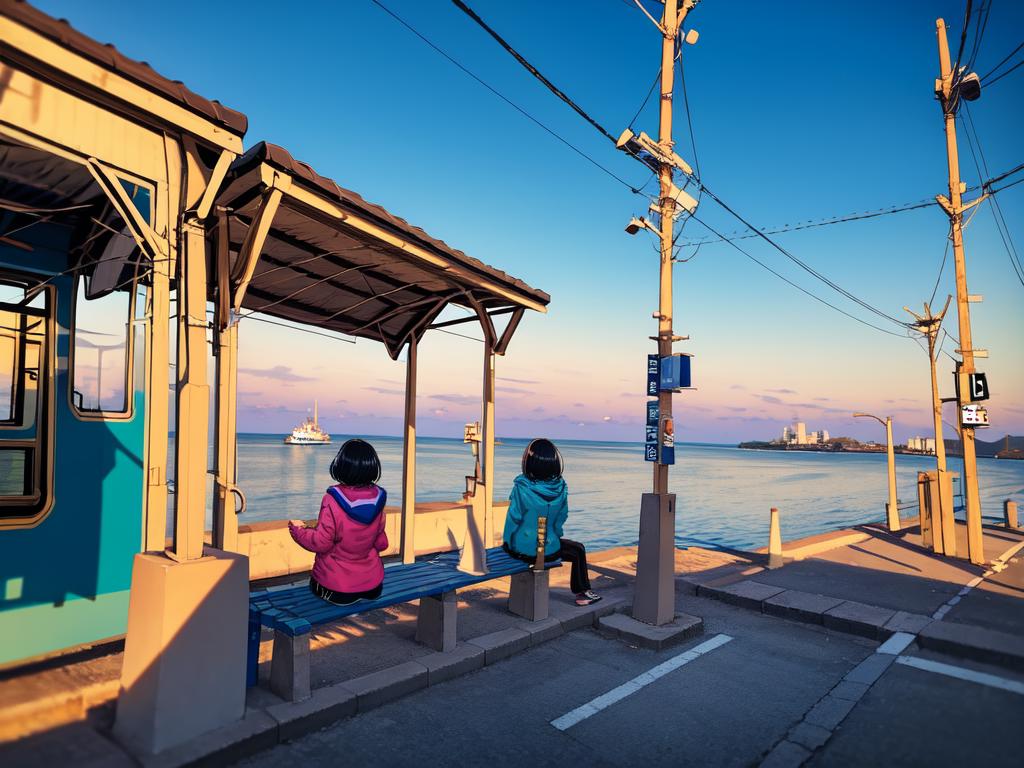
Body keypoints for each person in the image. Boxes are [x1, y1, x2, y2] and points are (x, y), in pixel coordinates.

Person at [289, 438, 388, 606]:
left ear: (341, 465)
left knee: (314, 585)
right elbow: (381, 543)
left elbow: (321, 543)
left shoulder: (332, 499)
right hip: (373, 587)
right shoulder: (378, 499)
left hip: (337, 589)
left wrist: (297, 530)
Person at [502, 438, 601, 606]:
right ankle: (582, 593)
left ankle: (582, 592)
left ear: (529, 462)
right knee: (578, 550)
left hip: (523, 551)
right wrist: (554, 537)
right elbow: (560, 519)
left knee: (526, 542)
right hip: (549, 549)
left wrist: (507, 543)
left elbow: (514, 519)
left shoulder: (521, 487)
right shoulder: (561, 487)